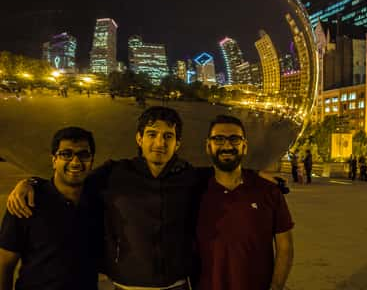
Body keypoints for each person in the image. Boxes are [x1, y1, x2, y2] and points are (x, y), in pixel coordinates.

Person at [7, 107, 284, 290]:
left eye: (168, 136)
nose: (159, 143)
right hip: (127, 286)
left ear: (178, 143)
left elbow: (224, 170)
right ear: (139, 138)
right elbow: (72, 180)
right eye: (152, 135)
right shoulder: (115, 173)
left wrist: (256, 173)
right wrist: (31, 183)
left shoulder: (190, 176)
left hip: (176, 285)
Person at [196, 115, 294, 290]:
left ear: (245, 146)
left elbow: (284, 246)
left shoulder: (269, 191)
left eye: (234, 139)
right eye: (219, 139)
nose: (227, 146)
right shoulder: (193, 190)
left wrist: (276, 286)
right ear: (208, 146)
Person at [0, 127, 103, 290]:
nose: (75, 162)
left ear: (92, 161)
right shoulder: (27, 202)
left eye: (83, 155)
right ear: (54, 160)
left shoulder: (98, 200)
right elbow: (5, 263)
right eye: (66, 154)